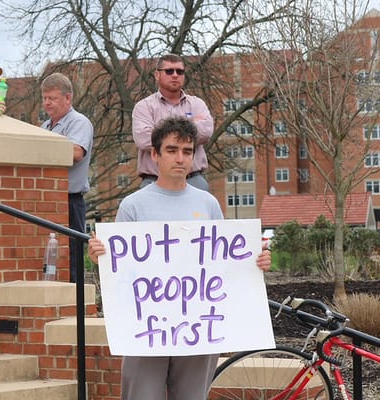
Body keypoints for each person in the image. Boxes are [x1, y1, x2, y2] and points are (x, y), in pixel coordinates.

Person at [88, 116, 271, 400]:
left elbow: (222, 263)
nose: (180, 158)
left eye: (187, 151)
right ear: (155, 155)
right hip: (146, 328)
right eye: (172, 150)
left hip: (198, 328)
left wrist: (254, 263)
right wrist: (100, 256)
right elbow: (119, 270)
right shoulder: (133, 205)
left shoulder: (208, 203)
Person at [40, 72, 94, 283]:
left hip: (70, 200)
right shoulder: (45, 127)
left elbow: (76, 153)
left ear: (68, 98)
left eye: (52, 98)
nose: (47, 103)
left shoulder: (79, 122)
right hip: (48, 200)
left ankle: (76, 303)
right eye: (44, 98)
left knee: (72, 255)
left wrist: (41, 150)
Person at [132, 53, 213, 191]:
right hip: (153, 181)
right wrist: (191, 126)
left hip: (194, 181)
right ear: (157, 75)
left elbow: (206, 132)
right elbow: (143, 139)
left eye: (180, 71)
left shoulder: (197, 104)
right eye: (169, 71)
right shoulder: (144, 106)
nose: (175, 75)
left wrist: (160, 132)